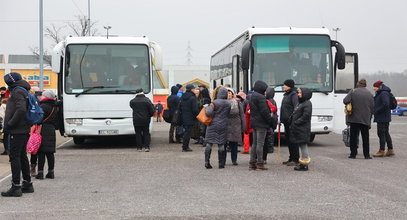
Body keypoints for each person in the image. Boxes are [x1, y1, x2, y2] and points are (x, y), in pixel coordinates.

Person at [1, 72, 34, 197]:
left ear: (11, 81)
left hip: (17, 130)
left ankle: (16, 186)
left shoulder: (17, 91)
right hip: (22, 129)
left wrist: (10, 124)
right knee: (22, 156)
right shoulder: (22, 89)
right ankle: (27, 183)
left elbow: (21, 109)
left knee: (14, 157)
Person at [343, 78, 374, 159]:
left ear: (358, 83)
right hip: (365, 119)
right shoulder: (369, 93)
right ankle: (366, 155)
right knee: (365, 137)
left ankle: (353, 154)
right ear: (365, 84)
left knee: (353, 136)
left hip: (354, 118)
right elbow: (372, 107)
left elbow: (345, 100)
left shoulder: (353, 91)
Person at [249, 80, 275, 170]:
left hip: (254, 122)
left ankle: (252, 162)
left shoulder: (252, 96)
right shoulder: (261, 97)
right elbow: (265, 111)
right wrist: (270, 120)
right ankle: (260, 163)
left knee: (254, 144)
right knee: (260, 144)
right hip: (261, 123)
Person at [204, 87, 231, 169]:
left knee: (209, 143)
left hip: (212, 124)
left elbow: (208, 113)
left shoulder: (214, 103)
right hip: (223, 124)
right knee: (221, 143)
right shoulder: (228, 103)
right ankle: (221, 163)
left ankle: (207, 162)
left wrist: (207, 107)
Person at [36, 90, 58, 179]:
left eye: (42, 95)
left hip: (42, 129)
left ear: (46, 96)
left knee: (41, 152)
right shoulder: (55, 106)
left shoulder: (43, 106)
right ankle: (51, 172)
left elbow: (39, 119)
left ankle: (40, 173)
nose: (41, 96)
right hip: (51, 129)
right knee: (50, 152)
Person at [289, 88, 313, 171]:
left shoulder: (307, 103)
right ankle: (302, 162)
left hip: (302, 128)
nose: (298, 94)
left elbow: (306, 116)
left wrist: (296, 122)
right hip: (299, 128)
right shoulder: (302, 103)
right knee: (301, 145)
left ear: (305, 94)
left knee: (303, 145)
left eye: (299, 93)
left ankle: (304, 164)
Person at [372, 80, 395, 157]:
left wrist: (377, 111)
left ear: (379, 87)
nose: (373, 88)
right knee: (386, 133)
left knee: (381, 133)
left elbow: (385, 104)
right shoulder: (381, 93)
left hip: (382, 117)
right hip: (384, 117)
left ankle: (381, 150)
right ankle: (390, 150)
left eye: (375, 87)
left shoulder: (383, 93)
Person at [280, 79, 299, 166]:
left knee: (293, 141)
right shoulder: (287, 94)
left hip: (291, 122)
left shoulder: (293, 95)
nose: (283, 86)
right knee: (289, 140)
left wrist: (291, 118)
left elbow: (296, 108)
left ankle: (295, 159)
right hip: (286, 122)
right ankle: (291, 158)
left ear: (289, 86)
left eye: (285, 85)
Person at [225, 88, 245, 165]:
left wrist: (243, 126)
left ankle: (234, 160)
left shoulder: (237, 102)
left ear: (233, 94)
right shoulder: (223, 102)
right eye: (227, 93)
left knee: (234, 144)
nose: (228, 94)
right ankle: (222, 161)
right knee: (224, 144)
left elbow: (242, 115)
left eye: (230, 93)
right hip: (226, 125)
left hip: (236, 126)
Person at [179, 84, 199, 152]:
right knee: (188, 132)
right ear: (192, 89)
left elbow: (179, 107)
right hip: (190, 117)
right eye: (194, 89)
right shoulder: (192, 98)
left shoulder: (182, 96)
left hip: (183, 116)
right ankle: (185, 147)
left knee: (186, 132)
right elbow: (195, 109)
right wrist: (197, 114)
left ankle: (184, 146)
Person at [263, 87, 278, 163]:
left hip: (270, 121)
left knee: (269, 136)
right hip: (273, 120)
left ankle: (270, 148)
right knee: (270, 135)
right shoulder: (273, 100)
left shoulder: (268, 101)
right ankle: (270, 148)